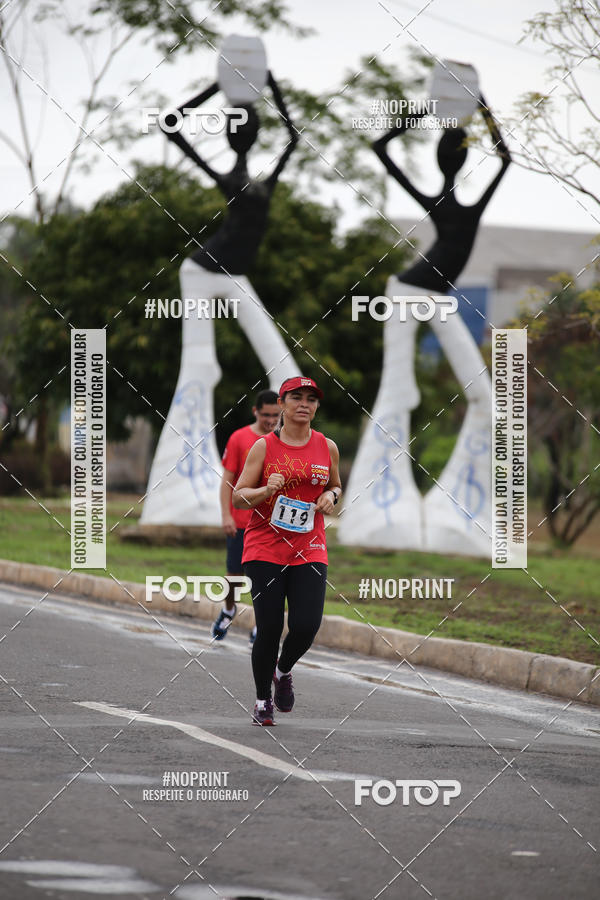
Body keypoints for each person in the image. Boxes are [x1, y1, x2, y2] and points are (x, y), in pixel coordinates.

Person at [232, 376, 342, 726]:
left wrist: (331, 496)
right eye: (296, 397)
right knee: (269, 626)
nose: (304, 404)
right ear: (282, 403)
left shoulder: (328, 447)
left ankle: (283, 670)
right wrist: (266, 489)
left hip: (310, 546)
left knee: (307, 624)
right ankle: (263, 700)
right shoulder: (264, 447)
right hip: (265, 546)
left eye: (311, 399)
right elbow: (239, 495)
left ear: (317, 406)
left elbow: (336, 485)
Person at [211, 389, 280, 642]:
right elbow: (227, 481)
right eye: (266, 415)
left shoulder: (285, 441)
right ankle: (229, 609)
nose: (271, 420)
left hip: (273, 526)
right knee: (234, 577)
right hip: (241, 522)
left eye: (276, 415)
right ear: (255, 411)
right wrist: (226, 515)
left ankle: (261, 626)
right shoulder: (239, 438)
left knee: (269, 580)